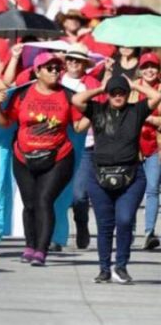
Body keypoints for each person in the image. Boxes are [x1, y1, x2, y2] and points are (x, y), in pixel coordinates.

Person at [0, 53, 86, 266]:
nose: (55, 71)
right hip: (23, 157)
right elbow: (5, 123)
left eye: (57, 68)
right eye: (49, 68)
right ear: (37, 71)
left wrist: (91, 111)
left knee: (44, 200)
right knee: (29, 203)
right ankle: (30, 245)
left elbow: (78, 127)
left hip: (59, 157)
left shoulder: (68, 95)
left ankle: (41, 250)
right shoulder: (22, 94)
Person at [72, 74, 161, 283]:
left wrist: (134, 84)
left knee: (125, 220)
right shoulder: (97, 110)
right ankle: (104, 269)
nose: (118, 96)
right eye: (114, 93)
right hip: (100, 175)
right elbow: (76, 100)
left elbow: (156, 97)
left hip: (131, 177)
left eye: (122, 92)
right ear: (108, 94)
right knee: (104, 224)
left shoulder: (136, 111)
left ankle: (121, 266)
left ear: (128, 94)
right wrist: (100, 88)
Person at [60, 43, 100, 250]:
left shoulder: (93, 84)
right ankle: (56, 235)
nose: (73, 63)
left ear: (85, 64)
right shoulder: (55, 79)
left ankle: (81, 223)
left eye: (78, 60)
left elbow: (102, 110)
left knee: (79, 195)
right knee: (56, 192)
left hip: (86, 145)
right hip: (57, 143)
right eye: (70, 59)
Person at [133, 53, 161, 250]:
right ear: (140, 69)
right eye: (145, 67)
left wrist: (151, 119)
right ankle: (129, 229)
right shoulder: (133, 88)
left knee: (152, 189)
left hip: (156, 146)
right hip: (133, 146)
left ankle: (149, 232)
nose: (149, 70)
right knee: (132, 190)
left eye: (153, 67)